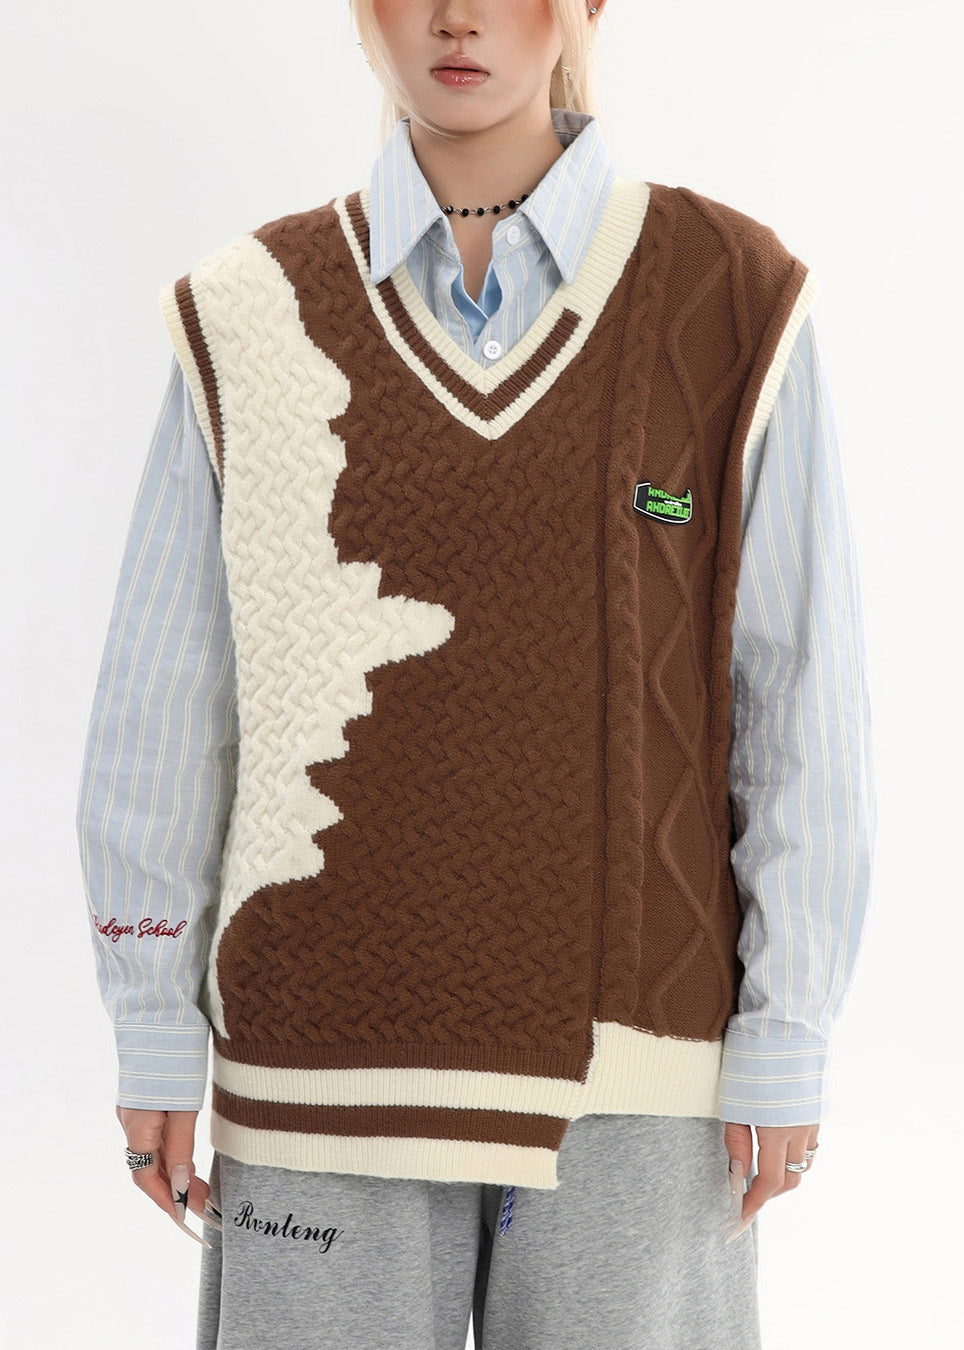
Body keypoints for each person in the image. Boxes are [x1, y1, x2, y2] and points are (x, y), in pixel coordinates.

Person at [75, 1, 876, 1346]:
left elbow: (799, 698)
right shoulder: (248, 308)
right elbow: (164, 702)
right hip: (317, 1078)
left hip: (634, 1090)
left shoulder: (732, 298)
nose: (457, 15)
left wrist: (788, 1024)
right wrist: (150, 1022)